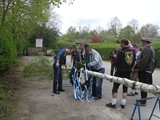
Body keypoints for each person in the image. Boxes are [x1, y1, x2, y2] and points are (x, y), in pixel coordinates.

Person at [106, 39, 136, 109]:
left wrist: (115, 58)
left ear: (123, 43)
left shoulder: (121, 52)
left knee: (115, 88)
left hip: (119, 72)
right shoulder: (132, 52)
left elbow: (116, 63)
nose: (119, 44)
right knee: (125, 88)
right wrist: (130, 68)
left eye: (120, 43)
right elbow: (134, 62)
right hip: (128, 72)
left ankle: (113, 104)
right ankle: (123, 104)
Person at [137, 37, 156, 106]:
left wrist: (140, 69)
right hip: (148, 70)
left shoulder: (146, 49)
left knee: (143, 86)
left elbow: (144, 61)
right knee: (145, 86)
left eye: (142, 41)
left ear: (145, 42)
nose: (141, 43)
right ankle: (143, 100)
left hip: (144, 71)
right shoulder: (151, 48)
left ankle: (143, 101)